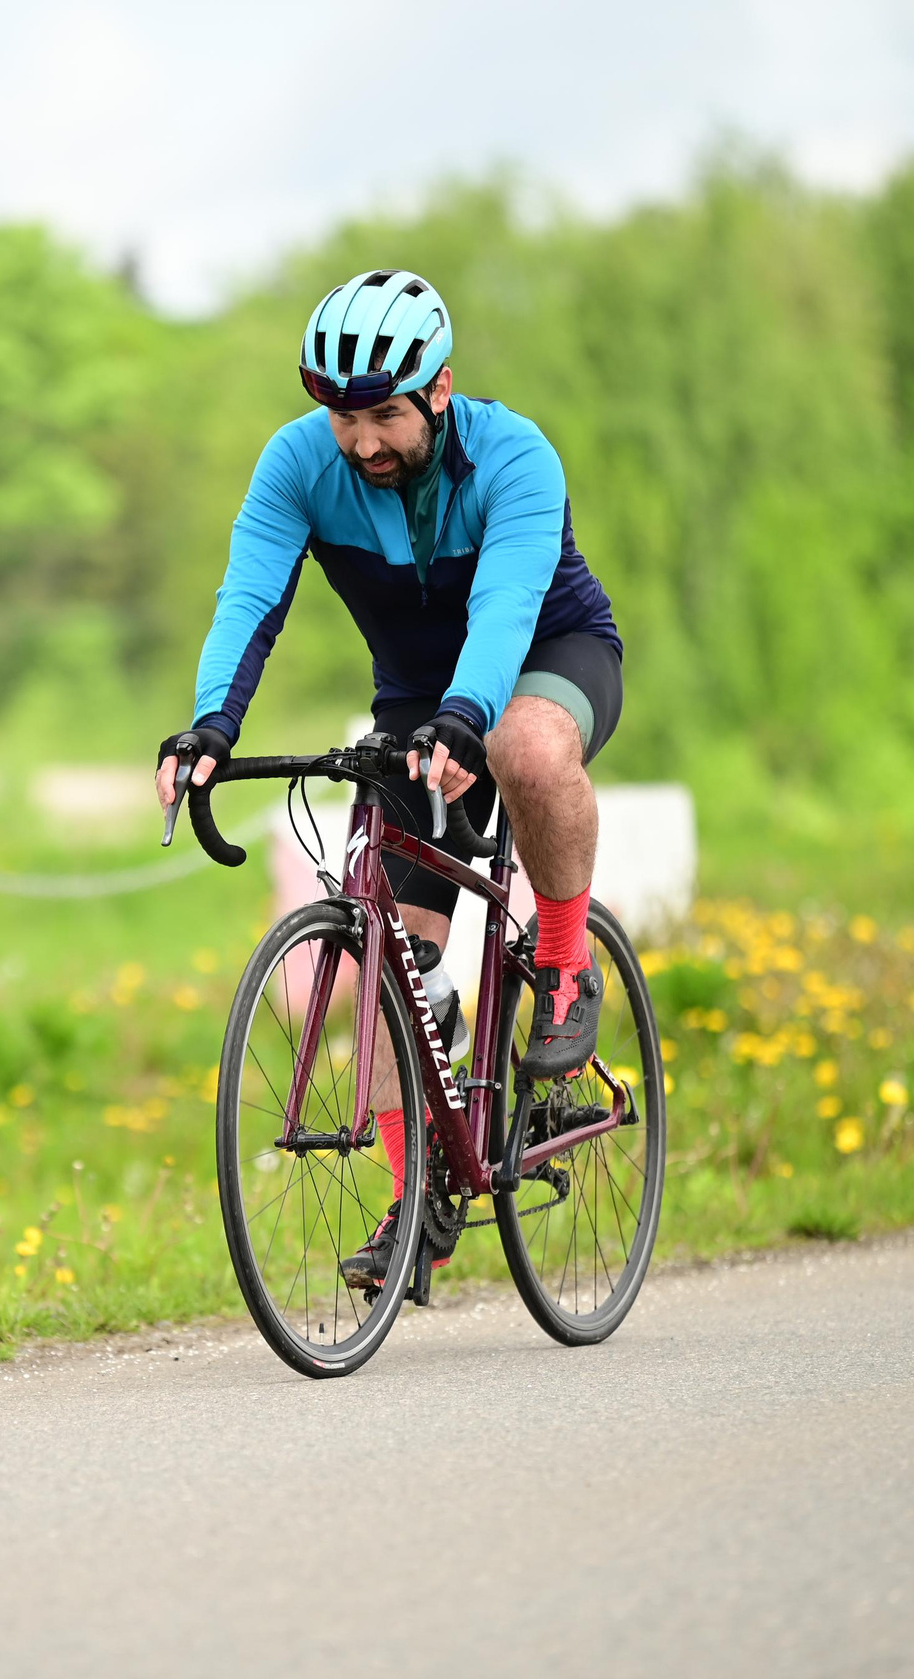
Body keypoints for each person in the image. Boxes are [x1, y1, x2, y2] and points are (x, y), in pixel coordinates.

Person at [154, 268, 623, 1289]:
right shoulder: (295, 466)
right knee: (383, 965)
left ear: (439, 388)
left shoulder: (515, 458)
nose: (360, 442)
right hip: (416, 699)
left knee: (524, 751)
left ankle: (564, 963)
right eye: (340, 417)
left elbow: (502, 608)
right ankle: (426, 1199)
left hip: (547, 654)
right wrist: (206, 731)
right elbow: (250, 601)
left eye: (382, 416)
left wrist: (469, 714)